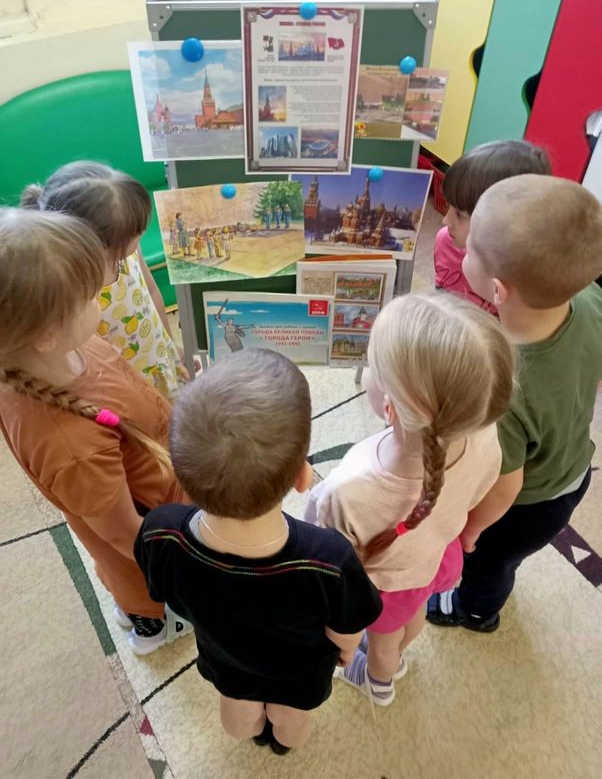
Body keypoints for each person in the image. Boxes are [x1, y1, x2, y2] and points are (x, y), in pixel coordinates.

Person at [134, 349, 382, 753]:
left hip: (226, 659)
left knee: (236, 709)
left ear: (179, 471)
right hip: (300, 672)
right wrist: (348, 651)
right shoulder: (328, 559)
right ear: (302, 476)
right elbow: (346, 626)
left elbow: (162, 592)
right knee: (292, 718)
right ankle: (282, 743)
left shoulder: (162, 533)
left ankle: (250, 732)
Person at [306, 293, 515, 704]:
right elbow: (479, 492)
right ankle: (397, 657)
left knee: (382, 645)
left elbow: (325, 555)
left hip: (384, 587)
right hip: (432, 560)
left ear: (389, 408)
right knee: (413, 615)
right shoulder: (484, 436)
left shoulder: (348, 487)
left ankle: (379, 684)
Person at [0, 208, 191, 655]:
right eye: (89, 296)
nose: (102, 296)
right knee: (142, 597)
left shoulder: (71, 347)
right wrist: (189, 569)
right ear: (46, 334)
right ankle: (151, 628)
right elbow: (126, 536)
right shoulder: (71, 447)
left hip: (159, 489)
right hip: (149, 547)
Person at [427, 175, 602, 633]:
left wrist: (471, 529)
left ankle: (476, 612)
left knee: (488, 565)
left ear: (497, 290)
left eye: (471, 249)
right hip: (575, 470)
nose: (451, 236)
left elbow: (504, 488)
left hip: (525, 506)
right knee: (506, 558)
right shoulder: (589, 298)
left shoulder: (500, 384)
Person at [21, 162, 187, 401]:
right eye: (135, 233)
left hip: (159, 360)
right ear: (95, 247)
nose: (141, 236)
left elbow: (151, 292)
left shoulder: (127, 251)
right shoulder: (76, 295)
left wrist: (170, 347)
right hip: (124, 389)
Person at [434, 140, 551, 315]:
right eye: (448, 205)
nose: (445, 220)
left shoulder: (520, 283)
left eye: (460, 214)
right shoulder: (446, 240)